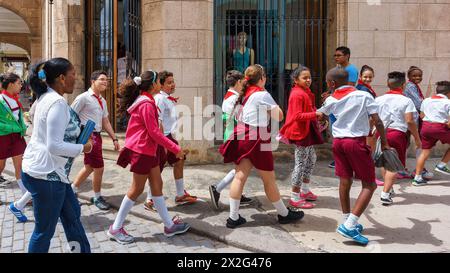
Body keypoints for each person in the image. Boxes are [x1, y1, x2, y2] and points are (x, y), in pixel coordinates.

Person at [220, 64, 305, 229]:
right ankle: (283, 214)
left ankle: (233, 217)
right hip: (258, 137)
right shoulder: (261, 94)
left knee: (239, 177)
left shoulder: (242, 94)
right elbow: (279, 115)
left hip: (241, 134)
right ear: (262, 78)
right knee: (269, 179)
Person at [109, 71, 189, 244]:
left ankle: (168, 225)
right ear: (153, 85)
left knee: (157, 185)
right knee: (136, 189)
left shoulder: (147, 101)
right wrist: (175, 148)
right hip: (142, 150)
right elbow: (154, 132)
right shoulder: (146, 104)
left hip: (148, 150)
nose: (161, 84)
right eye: (159, 82)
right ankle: (115, 228)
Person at [22, 58, 93, 253]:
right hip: (47, 176)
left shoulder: (45, 97)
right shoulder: (57, 102)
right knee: (44, 231)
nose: (76, 79)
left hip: (52, 173)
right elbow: (54, 145)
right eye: (73, 75)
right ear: (62, 78)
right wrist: (83, 148)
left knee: (72, 217)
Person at [317, 67, 389, 245]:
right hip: (355, 143)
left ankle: (347, 219)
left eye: (327, 82)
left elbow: (320, 116)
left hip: (338, 143)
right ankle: (349, 224)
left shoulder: (332, 98)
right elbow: (377, 120)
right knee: (370, 184)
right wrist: (385, 142)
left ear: (332, 84)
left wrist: (325, 116)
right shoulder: (363, 96)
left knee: (345, 180)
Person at [144, 71, 197, 212]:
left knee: (179, 160)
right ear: (160, 85)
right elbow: (158, 121)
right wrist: (163, 143)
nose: (173, 84)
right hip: (162, 138)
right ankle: (149, 199)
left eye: (173, 81)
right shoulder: (160, 99)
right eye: (169, 82)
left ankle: (180, 195)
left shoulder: (167, 98)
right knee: (157, 169)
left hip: (169, 136)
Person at [71, 71, 120, 210]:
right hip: (88, 136)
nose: (105, 82)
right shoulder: (83, 98)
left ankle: (72, 189)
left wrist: (114, 138)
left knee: (90, 167)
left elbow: (105, 121)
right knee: (99, 168)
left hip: (97, 136)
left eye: (106, 80)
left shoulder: (102, 100)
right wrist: (77, 133)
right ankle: (97, 197)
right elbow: (71, 115)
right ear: (93, 81)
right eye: (102, 79)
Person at [278, 65, 323, 209]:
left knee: (311, 159)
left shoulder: (305, 91)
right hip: (301, 133)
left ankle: (304, 190)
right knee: (300, 164)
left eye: (309, 77)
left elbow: (309, 109)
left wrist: (317, 115)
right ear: (296, 80)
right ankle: (295, 197)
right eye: (305, 78)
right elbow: (297, 116)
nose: (308, 80)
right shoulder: (297, 94)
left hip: (307, 131)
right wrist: (315, 115)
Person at [209, 70, 254, 210]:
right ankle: (217, 188)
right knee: (242, 166)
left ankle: (236, 193)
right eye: (243, 82)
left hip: (236, 133)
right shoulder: (232, 98)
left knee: (242, 166)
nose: (244, 85)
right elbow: (239, 118)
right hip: (235, 134)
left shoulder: (232, 96)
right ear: (239, 82)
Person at [375, 72, 421, 205]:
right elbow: (410, 121)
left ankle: (388, 189)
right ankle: (385, 194)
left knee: (385, 161)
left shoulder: (379, 99)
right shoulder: (406, 100)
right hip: (397, 134)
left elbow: (373, 119)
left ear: (387, 84)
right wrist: (417, 138)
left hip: (381, 133)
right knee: (393, 166)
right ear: (403, 85)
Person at [1, 73, 31, 222]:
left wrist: (23, 126)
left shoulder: (15, 100)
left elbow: (18, 118)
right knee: (1, 166)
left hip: (16, 137)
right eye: (19, 83)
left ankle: (25, 195)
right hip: (3, 137)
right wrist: (12, 127)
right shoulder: (1, 99)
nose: (21, 86)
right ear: (11, 84)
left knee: (21, 166)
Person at [327, 46, 360, 169]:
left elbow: (349, 88)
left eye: (339, 55)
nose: (336, 57)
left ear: (347, 56)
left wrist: (333, 95)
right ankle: (339, 158)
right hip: (336, 102)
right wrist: (329, 93)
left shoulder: (351, 70)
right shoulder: (338, 69)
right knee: (334, 131)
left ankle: (342, 160)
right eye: (335, 55)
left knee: (341, 132)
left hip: (344, 104)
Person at [414, 81, 450, 186]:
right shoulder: (448, 102)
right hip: (440, 127)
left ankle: (417, 178)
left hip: (425, 127)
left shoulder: (426, 100)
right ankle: (442, 165)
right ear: (448, 93)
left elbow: (421, 115)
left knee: (424, 152)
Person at [404, 66, 434, 180]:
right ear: (409, 77)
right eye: (414, 76)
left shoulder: (414, 86)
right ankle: (420, 170)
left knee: (407, 143)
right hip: (412, 119)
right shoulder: (411, 87)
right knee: (419, 143)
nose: (417, 77)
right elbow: (418, 103)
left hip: (413, 118)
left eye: (419, 76)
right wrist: (429, 102)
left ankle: (404, 168)